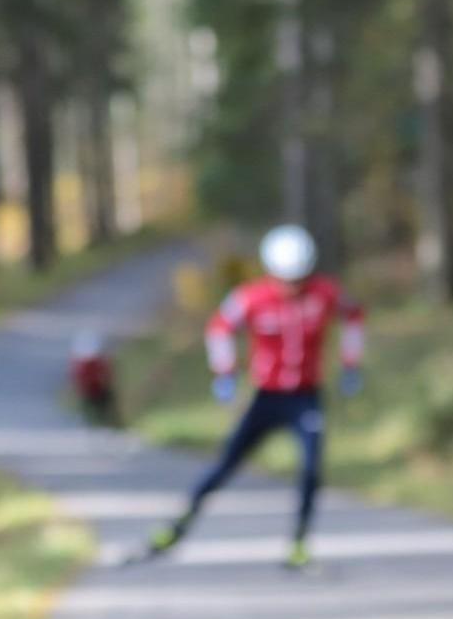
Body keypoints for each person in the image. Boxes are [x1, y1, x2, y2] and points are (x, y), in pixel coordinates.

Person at [145, 225, 364, 569]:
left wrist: (351, 364)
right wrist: (225, 372)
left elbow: (354, 316)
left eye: (298, 279)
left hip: (306, 397)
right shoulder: (250, 297)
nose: (291, 287)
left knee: (311, 469)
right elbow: (218, 328)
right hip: (266, 396)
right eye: (285, 279)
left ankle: (299, 544)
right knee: (225, 465)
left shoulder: (325, 293)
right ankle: (177, 526)